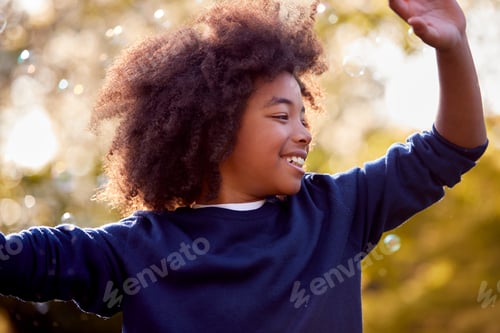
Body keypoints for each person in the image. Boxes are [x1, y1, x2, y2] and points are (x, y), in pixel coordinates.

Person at [0, 0, 488, 332]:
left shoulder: (338, 212)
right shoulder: (136, 251)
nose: (304, 132)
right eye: (281, 115)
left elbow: (453, 147)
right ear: (217, 126)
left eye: (303, 115)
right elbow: (28, 259)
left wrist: (453, 45)